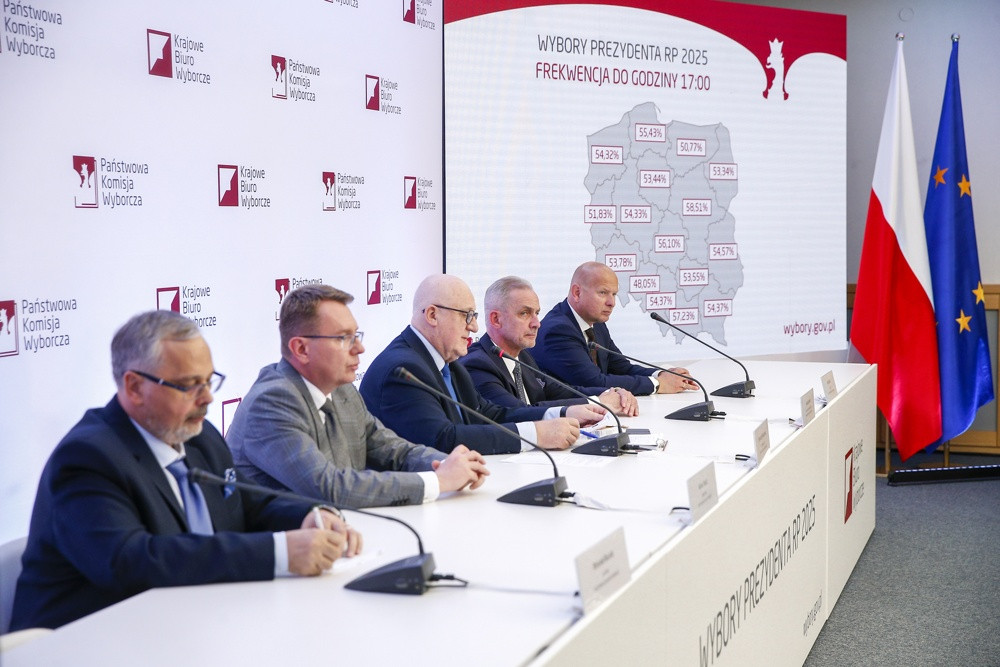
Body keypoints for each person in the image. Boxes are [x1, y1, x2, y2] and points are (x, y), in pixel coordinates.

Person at [11, 310, 361, 631]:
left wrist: (311, 514)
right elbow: (132, 561)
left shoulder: (199, 436)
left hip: (190, 623)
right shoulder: (88, 458)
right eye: (189, 385)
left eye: (209, 381)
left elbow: (247, 503)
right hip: (82, 640)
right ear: (134, 387)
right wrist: (280, 553)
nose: (207, 398)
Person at [226, 284, 488, 509]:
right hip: (289, 545)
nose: (360, 348)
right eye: (344, 338)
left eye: (356, 335)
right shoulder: (272, 403)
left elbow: (394, 451)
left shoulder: (342, 390)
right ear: (301, 349)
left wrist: (450, 463)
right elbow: (329, 488)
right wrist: (438, 481)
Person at [360, 274, 601, 455]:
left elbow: (490, 413)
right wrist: (536, 435)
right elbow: (442, 440)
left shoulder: (448, 362)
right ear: (433, 315)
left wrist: (560, 413)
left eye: (473, 316)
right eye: (466, 315)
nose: (474, 326)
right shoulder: (403, 370)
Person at [461, 276, 639, 416]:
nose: (536, 323)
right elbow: (517, 412)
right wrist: (598, 403)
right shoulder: (477, 364)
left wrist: (612, 392)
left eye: (537, 313)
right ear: (496, 319)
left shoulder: (523, 356)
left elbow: (561, 391)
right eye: (524, 313)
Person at [533, 261, 697, 395]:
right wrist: (658, 384)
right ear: (577, 293)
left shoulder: (597, 323)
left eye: (614, 294)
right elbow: (594, 382)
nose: (611, 303)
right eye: (603, 293)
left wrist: (662, 374)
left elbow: (622, 368)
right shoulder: (558, 330)